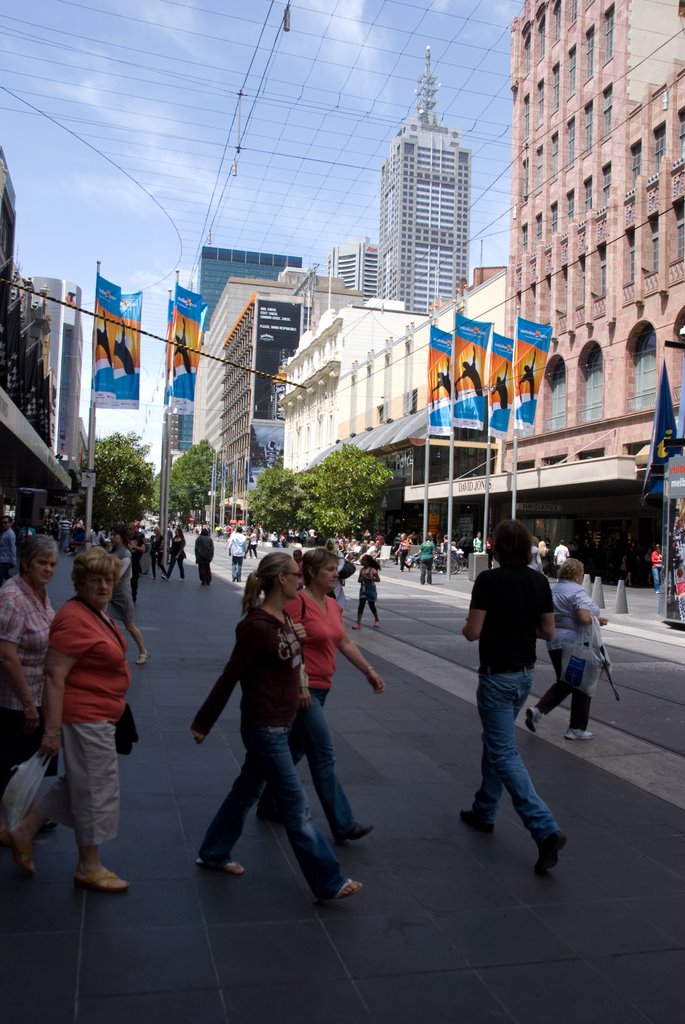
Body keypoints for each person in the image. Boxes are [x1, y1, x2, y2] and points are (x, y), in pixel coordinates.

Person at [191, 552, 362, 902]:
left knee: (246, 791)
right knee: (296, 806)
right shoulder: (256, 626)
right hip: (264, 726)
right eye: (296, 575)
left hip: (281, 722)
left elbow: (290, 662)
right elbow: (230, 675)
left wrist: (296, 643)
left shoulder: (283, 618)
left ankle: (213, 852)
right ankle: (329, 881)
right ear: (280, 580)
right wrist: (204, 722)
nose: (301, 580)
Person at [8, 547, 131, 891]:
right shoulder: (75, 617)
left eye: (108, 580)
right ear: (80, 582)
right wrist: (51, 732)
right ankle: (88, 866)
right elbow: (54, 675)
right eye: (96, 580)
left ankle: (23, 831)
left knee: (78, 782)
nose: (104, 587)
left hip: (101, 712)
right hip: (85, 716)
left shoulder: (96, 612)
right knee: (94, 791)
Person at [258, 546, 384, 843]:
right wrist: (299, 683)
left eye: (335, 569)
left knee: (296, 748)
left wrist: (369, 671)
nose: (335, 574)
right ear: (312, 573)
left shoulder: (332, 605)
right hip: (302, 689)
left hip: (323, 687)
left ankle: (268, 802)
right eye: (329, 570)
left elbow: (344, 641)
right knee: (323, 753)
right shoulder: (296, 603)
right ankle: (343, 823)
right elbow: (277, 639)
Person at [461, 519, 566, 875]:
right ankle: (484, 809)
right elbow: (548, 631)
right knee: (497, 742)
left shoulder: (488, 581)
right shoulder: (539, 581)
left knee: (503, 750)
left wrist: (484, 625)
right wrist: (522, 625)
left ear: (495, 546)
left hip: (496, 677)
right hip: (525, 676)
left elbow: (472, 632)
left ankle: (543, 827)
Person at [0, 535, 59, 858]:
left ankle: (27, 812)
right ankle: (5, 826)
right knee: (10, 761)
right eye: (42, 563)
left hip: (38, 690)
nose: (49, 569)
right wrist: (26, 704)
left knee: (26, 760)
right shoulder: (12, 597)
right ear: (26, 563)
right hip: (14, 697)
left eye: (52, 564)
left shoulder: (39, 592)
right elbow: (6, 654)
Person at [526, 558, 607, 741]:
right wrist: (596, 620)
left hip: (554, 642)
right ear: (577, 574)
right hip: (574, 643)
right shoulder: (576, 591)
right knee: (583, 684)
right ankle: (576, 728)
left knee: (566, 682)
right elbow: (584, 617)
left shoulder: (553, 590)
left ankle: (538, 711)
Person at [109, 524, 150, 665]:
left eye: (115, 535)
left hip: (122, 594)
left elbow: (117, 575)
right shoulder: (114, 550)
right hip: (110, 593)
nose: (112, 537)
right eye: (112, 534)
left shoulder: (125, 553)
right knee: (105, 621)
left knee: (129, 625)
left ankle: (143, 651)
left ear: (121, 536)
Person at [353, 553, 381, 629]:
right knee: (361, 605)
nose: (362, 562)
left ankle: (377, 620)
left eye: (363, 560)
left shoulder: (372, 570)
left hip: (371, 589)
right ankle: (358, 623)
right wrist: (362, 578)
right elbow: (359, 580)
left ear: (368, 562)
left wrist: (370, 578)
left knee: (371, 605)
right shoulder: (361, 570)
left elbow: (378, 580)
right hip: (363, 589)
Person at [128, 523, 146, 603]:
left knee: (134, 582)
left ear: (134, 529)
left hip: (135, 563)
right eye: (128, 529)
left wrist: (134, 547)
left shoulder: (139, 538)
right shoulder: (127, 538)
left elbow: (143, 549)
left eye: (130, 529)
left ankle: (133, 597)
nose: (129, 531)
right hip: (127, 563)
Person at [0, 515, 17, 586]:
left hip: (5, 559)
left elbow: (13, 547)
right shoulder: (3, 532)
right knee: (5, 575)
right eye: (2, 522)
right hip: (2, 557)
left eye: (5, 522)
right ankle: (16, 584)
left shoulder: (10, 534)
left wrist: (13, 561)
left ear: (10, 523)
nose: (3, 524)